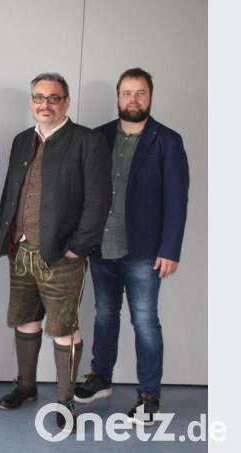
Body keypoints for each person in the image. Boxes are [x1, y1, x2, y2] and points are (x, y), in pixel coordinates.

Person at [0, 73, 111, 432]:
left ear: (66, 102)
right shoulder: (20, 140)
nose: (45, 104)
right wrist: (8, 236)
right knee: (26, 319)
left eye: (53, 98)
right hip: (22, 250)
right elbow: (11, 191)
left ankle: (65, 402)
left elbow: (98, 201)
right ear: (32, 101)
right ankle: (26, 386)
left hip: (62, 255)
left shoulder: (87, 142)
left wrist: (78, 247)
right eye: (38, 97)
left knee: (64, 328)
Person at [74, 68, 189, 426]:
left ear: (150, 97)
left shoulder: (167, 141)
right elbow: (83, 191)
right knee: (105, 315)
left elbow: (177, 200)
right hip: (102, 246)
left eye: (140, 93)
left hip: (145, 250)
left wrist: (170, 248)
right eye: (127, 93)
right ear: (118, 97)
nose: (133, 99)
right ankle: (101, 378)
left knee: (145, 321)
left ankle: (149, 395)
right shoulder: (99, 137)